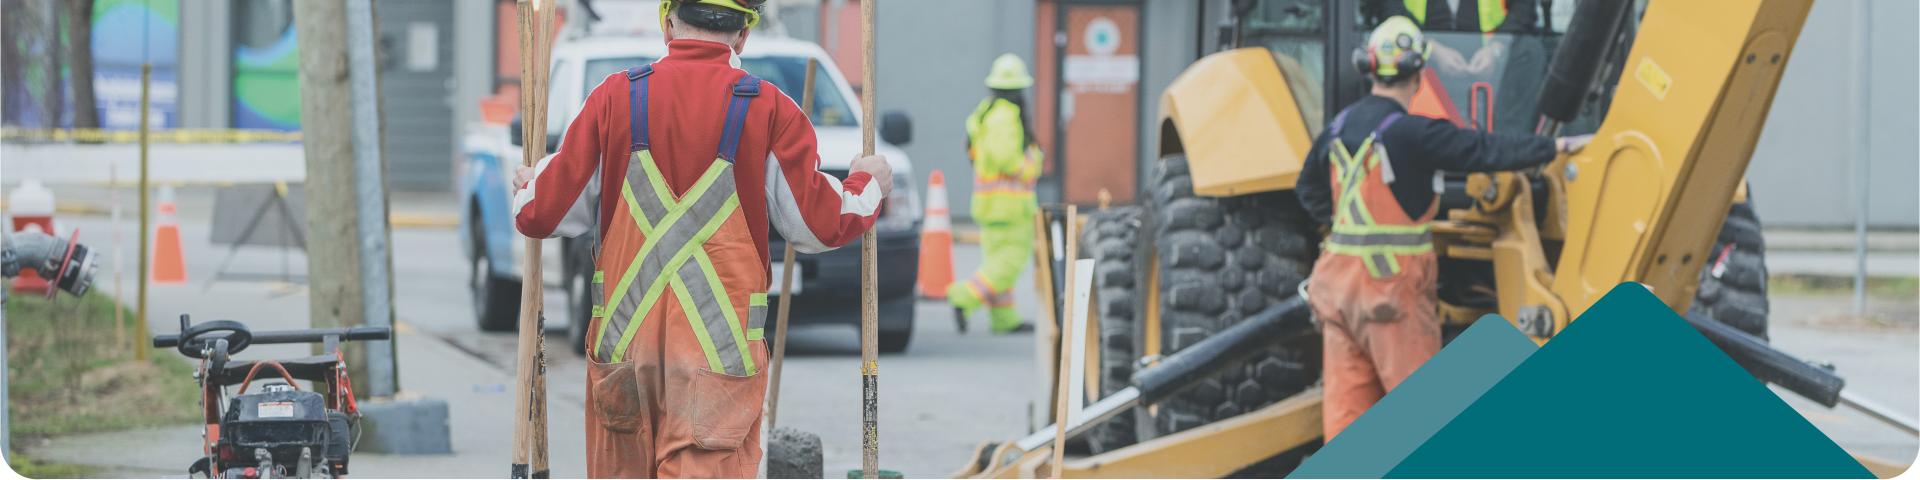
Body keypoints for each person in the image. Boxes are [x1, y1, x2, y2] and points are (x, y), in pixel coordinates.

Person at [511, 0, 892, 476]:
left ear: (668, 22)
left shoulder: (612, 98)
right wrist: (869, 184)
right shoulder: (772, 109)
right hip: (719, 362)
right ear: (743, 34)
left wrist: (529, 184)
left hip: (622, 356)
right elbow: (819, 224)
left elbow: (539, 214)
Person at [1296, 16, 1589, 440]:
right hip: (1389, 292)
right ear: (1419, 74)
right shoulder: (1413, 132)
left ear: (1370, 69)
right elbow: (1483, 150)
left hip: (1337, 288)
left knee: (1347, 423)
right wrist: (1554, 146)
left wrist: (1333, 223)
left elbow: (1307, 187)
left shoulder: (1337, 130)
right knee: (1424, 421)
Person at [949, 53, 1044, 334]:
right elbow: (1006, 158)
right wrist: (1031, 165)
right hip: (1010, 207)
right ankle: (964, 296)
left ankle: (1003, 318)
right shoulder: (1006, 116)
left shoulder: (986, 112)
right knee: (1010, 262)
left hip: (991, 204)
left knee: (996, 262)